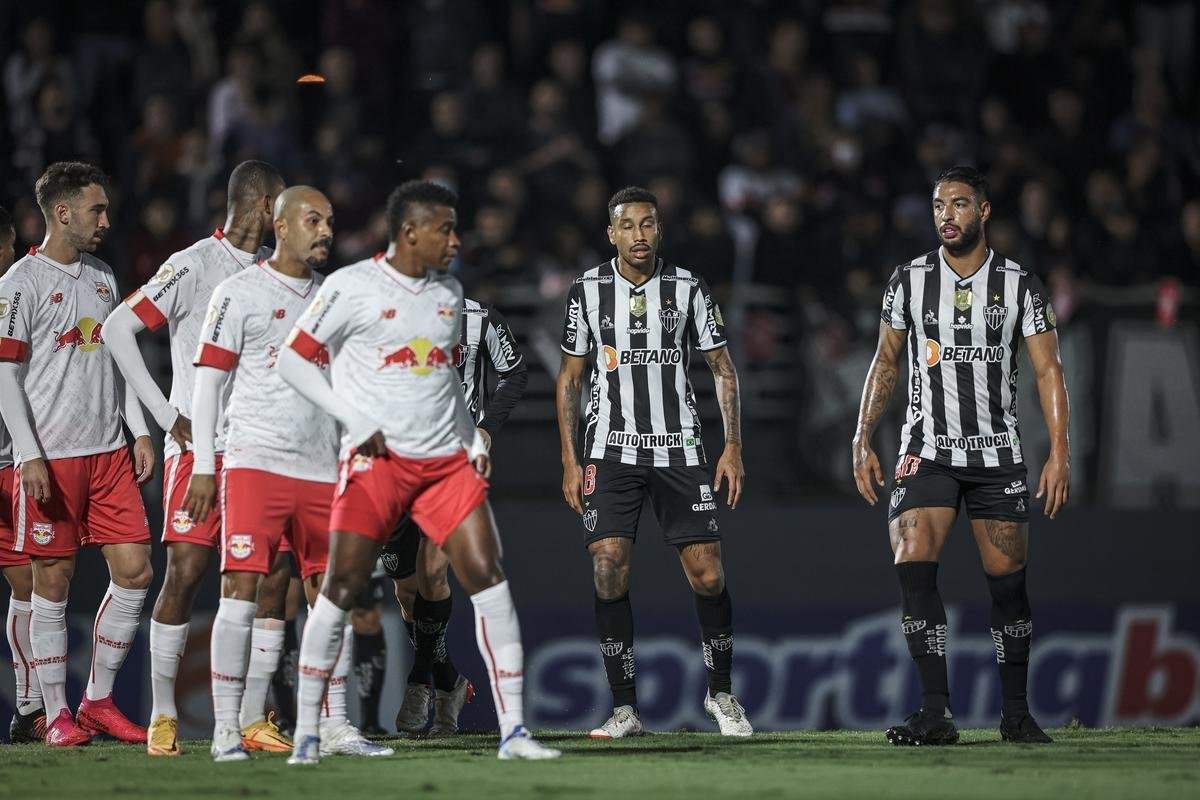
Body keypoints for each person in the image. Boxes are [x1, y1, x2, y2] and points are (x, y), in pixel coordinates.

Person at [277, 180, 559, 763]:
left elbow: (446, 386)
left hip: (443, 464)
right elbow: (292, 360)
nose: (456, 241)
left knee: (487, 575)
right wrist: (352, 419)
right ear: (410, 233)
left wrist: (471, 438)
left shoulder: (450, 294)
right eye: (445, 230)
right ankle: (308, 731)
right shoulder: (349, 287)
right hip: (377, 464)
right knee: (343, 587)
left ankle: (514, 732)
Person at [851, 165, 1069, 746]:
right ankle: (935, 711)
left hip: (997, 455)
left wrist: (1059, 453)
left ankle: (1016, 714)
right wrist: (862, 434)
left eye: (960, 204)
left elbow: (1048, 370)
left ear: (985, 211)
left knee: (1007, 586)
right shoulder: (908, 280)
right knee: (911, 556)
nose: (947, 214)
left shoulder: (1020, 285)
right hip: (926, 450)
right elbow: (887, 361)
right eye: (939, 204)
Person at [183, 185, 391, 761]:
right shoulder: (238, 292)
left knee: (334, 594)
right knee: (241, 590)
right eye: (313, 220)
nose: (325, 230)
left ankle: (336, 723)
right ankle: (227, 729)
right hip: (255, 462)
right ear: (280, 225)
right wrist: (204, 464)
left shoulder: (334, 300)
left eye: (329, 221)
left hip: (324, 471)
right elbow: (208, 385)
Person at [103, 160, 293, 757]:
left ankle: (253, 715)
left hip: (260, 450)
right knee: (185, 573)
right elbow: (116, 329)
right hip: (199, 449)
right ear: (263, 205)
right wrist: (165, 416)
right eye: (282, 207)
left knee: (271, 579)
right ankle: (163, 716)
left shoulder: (275, 275)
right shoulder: (191, 265)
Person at [556, 186, 750, 739]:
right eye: (628, 225)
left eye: (648, 224)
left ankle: (722, 696)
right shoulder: (587, 291)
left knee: (708, 574)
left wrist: (732, 445)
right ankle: (624, 709)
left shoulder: (687, 287)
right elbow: (570, 378)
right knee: (608, 565)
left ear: (659, 230)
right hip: (609, 449)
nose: (639, 235)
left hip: (680, 449)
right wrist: (571, 460)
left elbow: (722, 367)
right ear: (610, 232)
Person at [0, 162, 155, 746]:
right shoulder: (20, 283)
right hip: (52, 457)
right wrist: (29, 455)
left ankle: (97, 701)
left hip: (109, 452)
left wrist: (137, 429)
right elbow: (6, 375)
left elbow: (116, 360)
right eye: (97, 210)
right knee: (53, 583)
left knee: (137, 571)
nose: (106, 221)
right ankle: (57, 714)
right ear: (62, 213)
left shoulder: (104, 277)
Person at [381, 294, 528, 737]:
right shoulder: (385, 314)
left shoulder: (480, 318)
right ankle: (449, 681)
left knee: (433, 569)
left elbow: (515, 372)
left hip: (453, 461)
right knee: (406, 591)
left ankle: (420, 679)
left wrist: (486, 427)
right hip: (396, 461)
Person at [0, 205, 44, 743]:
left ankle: (30, 708)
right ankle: (30, 707)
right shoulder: (11, 294)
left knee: (28, 585)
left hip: (12, 460)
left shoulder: (13, 298)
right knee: (29, 586)